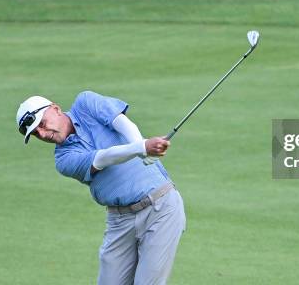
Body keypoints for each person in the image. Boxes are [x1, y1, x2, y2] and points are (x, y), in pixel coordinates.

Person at [16, 91, 186, 285]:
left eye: (42, 124)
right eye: (37, 134)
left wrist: (140, 144)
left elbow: (122, 123)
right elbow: (102, 158)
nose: (44, 134)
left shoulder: (85, 102)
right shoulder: (63, 159)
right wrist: (141, 148)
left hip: (160, 206)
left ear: (55, 109)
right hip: (119, 221)